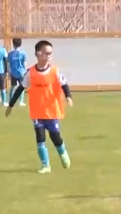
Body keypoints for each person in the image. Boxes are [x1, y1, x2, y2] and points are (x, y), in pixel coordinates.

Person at [6, 40, 74, 174]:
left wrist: (68, 96)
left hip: (52, 111)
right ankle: (45, 165)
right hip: (37, 111)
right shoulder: (30, 73)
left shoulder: (54, 71)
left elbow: (64, 85)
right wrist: (11, 105)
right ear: (38, 54)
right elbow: (20, 89)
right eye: (46, 53)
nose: (49, 56)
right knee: (40, 138)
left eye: (50, 53)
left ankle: (63, 153)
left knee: (55, 137)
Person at [7, 38, 27, 107]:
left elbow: (8, 65)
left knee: (12, 86)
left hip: (13, 73)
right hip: (21, 73)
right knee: (22, 87)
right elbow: (24, 64)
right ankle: (21, 101)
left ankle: (11, 100)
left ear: (13, 44)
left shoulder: (10, 54)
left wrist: (9, 73)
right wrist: (25, 72)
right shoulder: (23, 54)